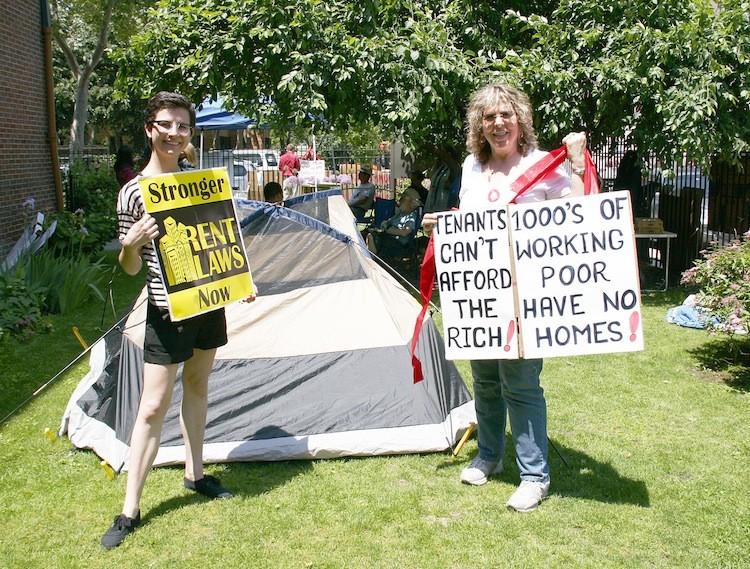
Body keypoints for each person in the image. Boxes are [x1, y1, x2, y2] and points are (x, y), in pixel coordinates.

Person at [423, 83, 587, 513]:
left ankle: (534, 476)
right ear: (480, 125)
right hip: (479, 293)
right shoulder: (470, 168)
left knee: (521, 383)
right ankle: (490, 456)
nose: (498, 124)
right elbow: (469, 220)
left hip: (527, 295)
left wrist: (576, 162)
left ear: (520, 121)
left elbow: (580, 217)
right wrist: (441, 225)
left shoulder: (542, 166)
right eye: (489, 117)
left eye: (506, 115)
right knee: (486, 381)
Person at [102, 91, 254, 549]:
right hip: (166, 311)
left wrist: (239, 279)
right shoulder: (132, 192)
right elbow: (130, 269)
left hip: (208, 302)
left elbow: (219, 239)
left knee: (199, 386)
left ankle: (195, 473)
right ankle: (130, 508)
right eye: (166, 125)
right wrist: (131, 242)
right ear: (150, 128)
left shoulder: (199, 182)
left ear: (190, 133)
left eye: (183, 126)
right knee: (151, 407)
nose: (175, 134)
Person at [366, 187, 422, 257]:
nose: (399, 201)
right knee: (366, 233)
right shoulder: (401, 213)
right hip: (390, 238)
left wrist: (384, 231)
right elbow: (389, 222)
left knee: (371, 236)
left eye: (402, 199)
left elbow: (404, 232)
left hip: (398, 242)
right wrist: (384, 224)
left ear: (410, 202)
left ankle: (372, 261)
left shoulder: (412, 216)